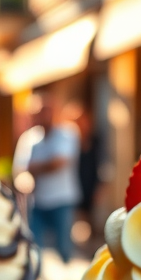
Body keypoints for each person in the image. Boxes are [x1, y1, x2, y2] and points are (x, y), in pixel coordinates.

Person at [25, 97, 82, 263]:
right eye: (38, 112)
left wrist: (36, 167)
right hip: (38, 201)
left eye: (46, 111)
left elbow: (59, 163)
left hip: (62, 199)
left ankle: (67, 275)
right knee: (35, 247)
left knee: (64, 247)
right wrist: (44, 166)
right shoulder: (30, 138)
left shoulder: (67, 133)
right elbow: (24, 167)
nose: (43, 116)